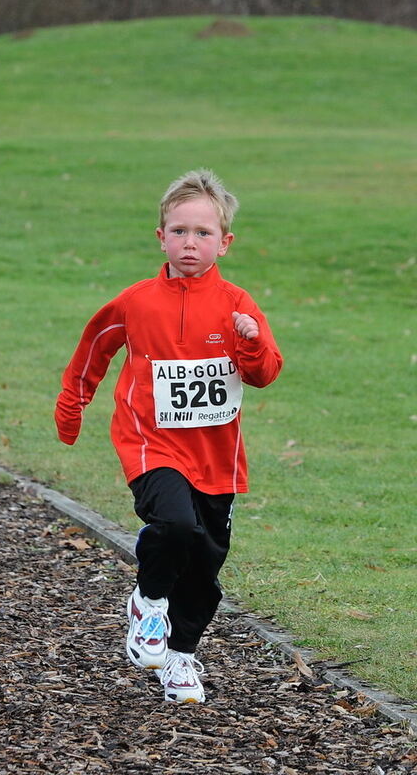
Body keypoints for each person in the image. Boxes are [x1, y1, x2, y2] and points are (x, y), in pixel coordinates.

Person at [54, 170, 282, 703]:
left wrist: (249, 341)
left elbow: (266, 372)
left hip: (218, 458)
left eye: (203, 233)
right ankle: (149, 600)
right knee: (174, 524)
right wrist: (73, 405)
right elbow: (95, 347)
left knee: (205, 567)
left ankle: (179, 658)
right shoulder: (136, 302)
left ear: (224, 242)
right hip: (149, 443)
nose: (190, 242)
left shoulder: (237, 304)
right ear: (161, 236)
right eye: (179, 231)